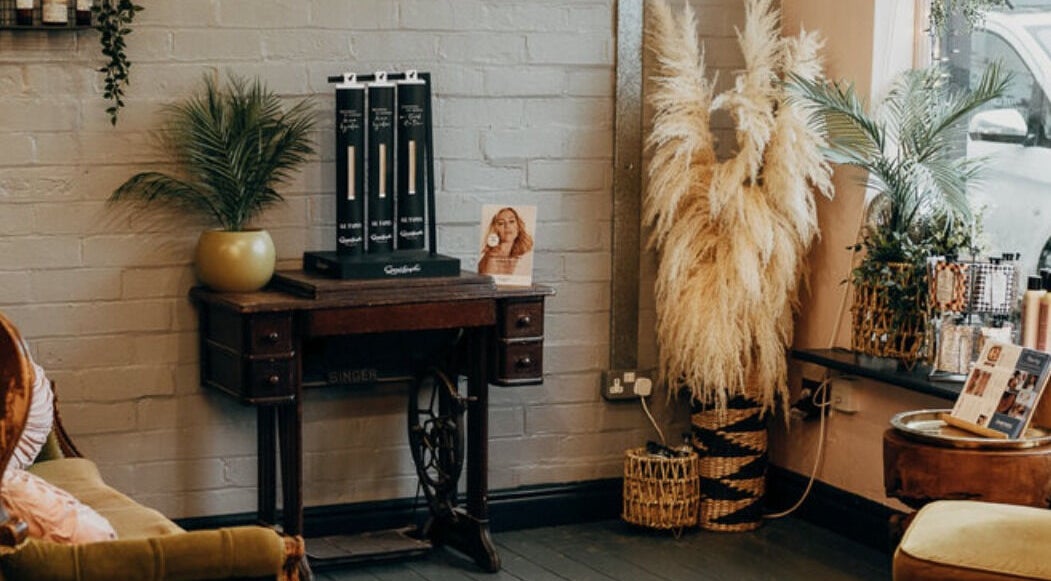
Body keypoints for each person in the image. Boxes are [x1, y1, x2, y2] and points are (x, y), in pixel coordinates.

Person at [479, 207, 534, 276]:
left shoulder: (522, 256)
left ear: (518, 226)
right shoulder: (491, 258)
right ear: (496, 229)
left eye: (511, 221)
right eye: (501, 223)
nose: (507, 226)